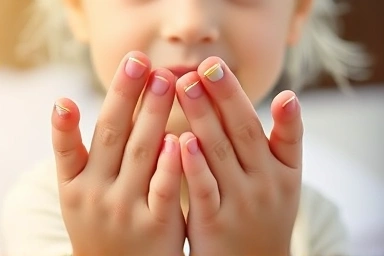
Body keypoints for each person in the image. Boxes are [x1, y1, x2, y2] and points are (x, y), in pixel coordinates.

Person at [0, 0, 367, 255]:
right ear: (78, 9)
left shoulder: (311, 224)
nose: (189, 24)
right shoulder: (42, 211)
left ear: (296, 13)